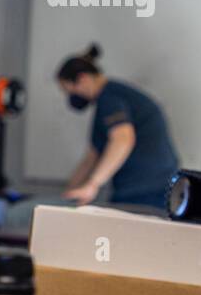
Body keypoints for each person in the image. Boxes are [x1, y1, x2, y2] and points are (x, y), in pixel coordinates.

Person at [57, 44, 179, 209]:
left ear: (83, 79)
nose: (71, 97)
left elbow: (122, 139)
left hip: (146, 190)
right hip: (150, 186)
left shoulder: (110, 98)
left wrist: (92, 185)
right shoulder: (108, 101)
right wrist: (67, 195)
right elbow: (92, 157)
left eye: (70, 90)